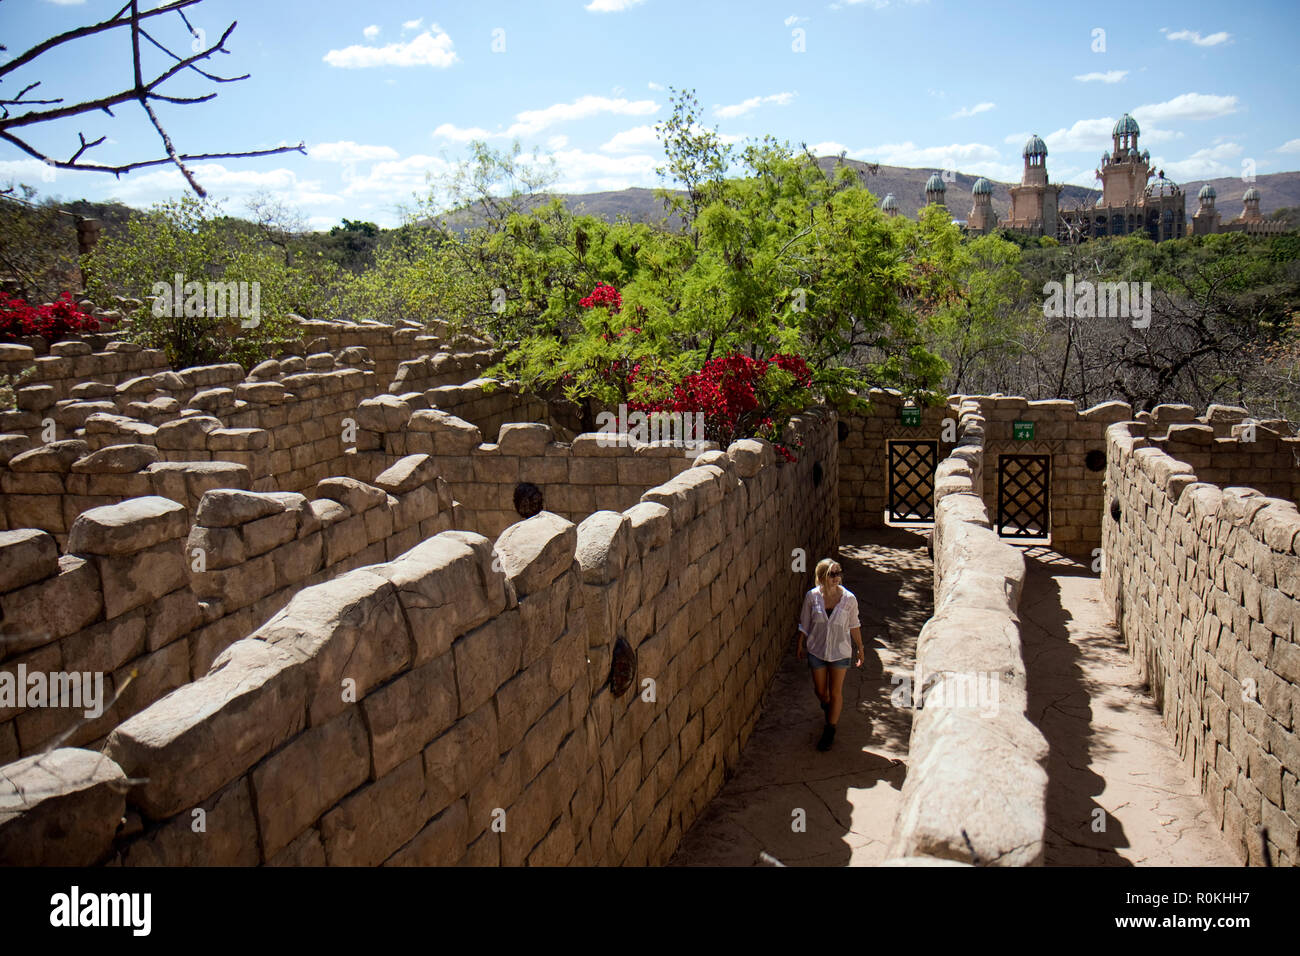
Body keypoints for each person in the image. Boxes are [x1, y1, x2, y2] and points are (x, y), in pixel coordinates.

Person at [796, 558, 863, 751]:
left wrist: (860, 647)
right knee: (820, 692)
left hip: (840, 651)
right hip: (816, 650)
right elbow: (805, 622)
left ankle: (830, 729)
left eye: (839, 573)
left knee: (835, 692)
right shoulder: (812, 597)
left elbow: (854, 624)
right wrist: (800, 642)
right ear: (822, 577)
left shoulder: (849, 599)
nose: (837, 577)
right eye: (832, 574)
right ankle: (828, 707)